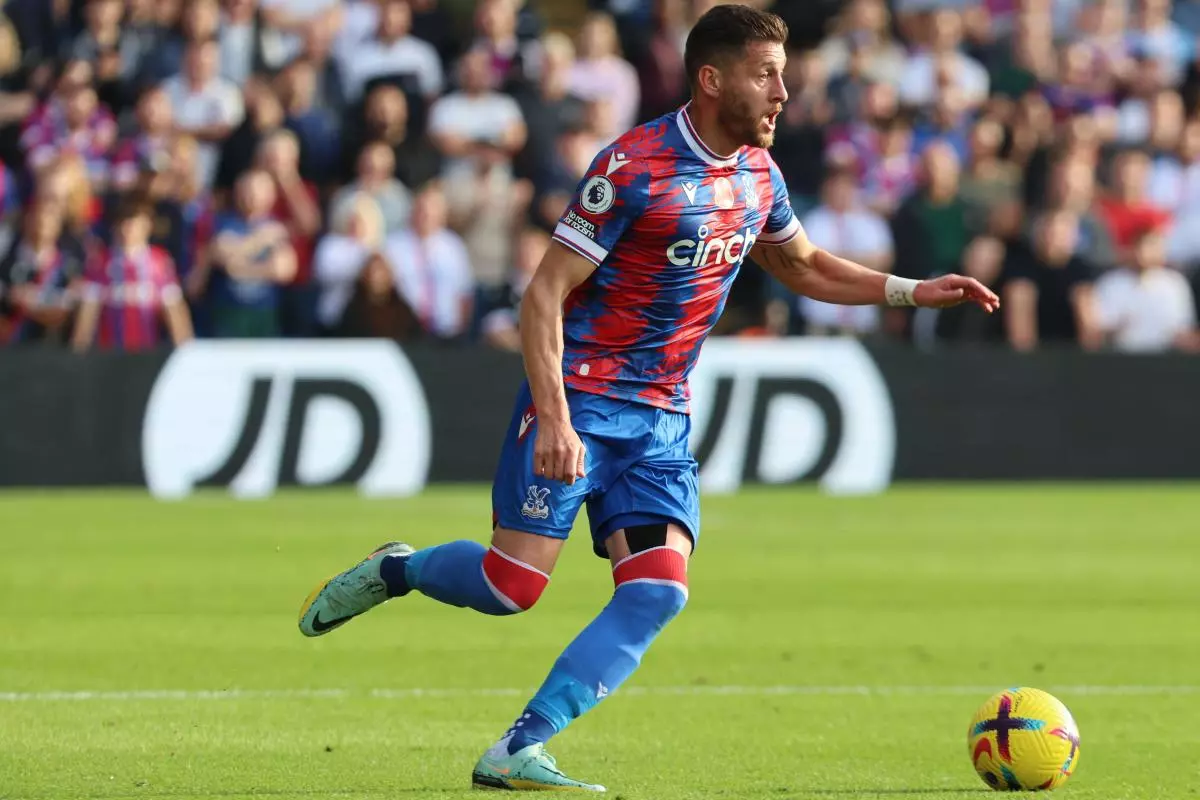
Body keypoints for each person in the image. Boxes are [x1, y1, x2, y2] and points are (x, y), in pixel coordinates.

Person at [296, 4, 999, 794]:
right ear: (711, 79)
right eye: (766, 75)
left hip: (661, 418)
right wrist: (556, 415)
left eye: (784, 75)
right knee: (511, 588)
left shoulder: (758, 176)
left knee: (659, 591)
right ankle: (399, 570)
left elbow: (802, 267)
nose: (783, 93)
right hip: (585, 402)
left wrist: (910, 292)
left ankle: (518, 749)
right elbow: (542, 298)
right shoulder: (632, 167)